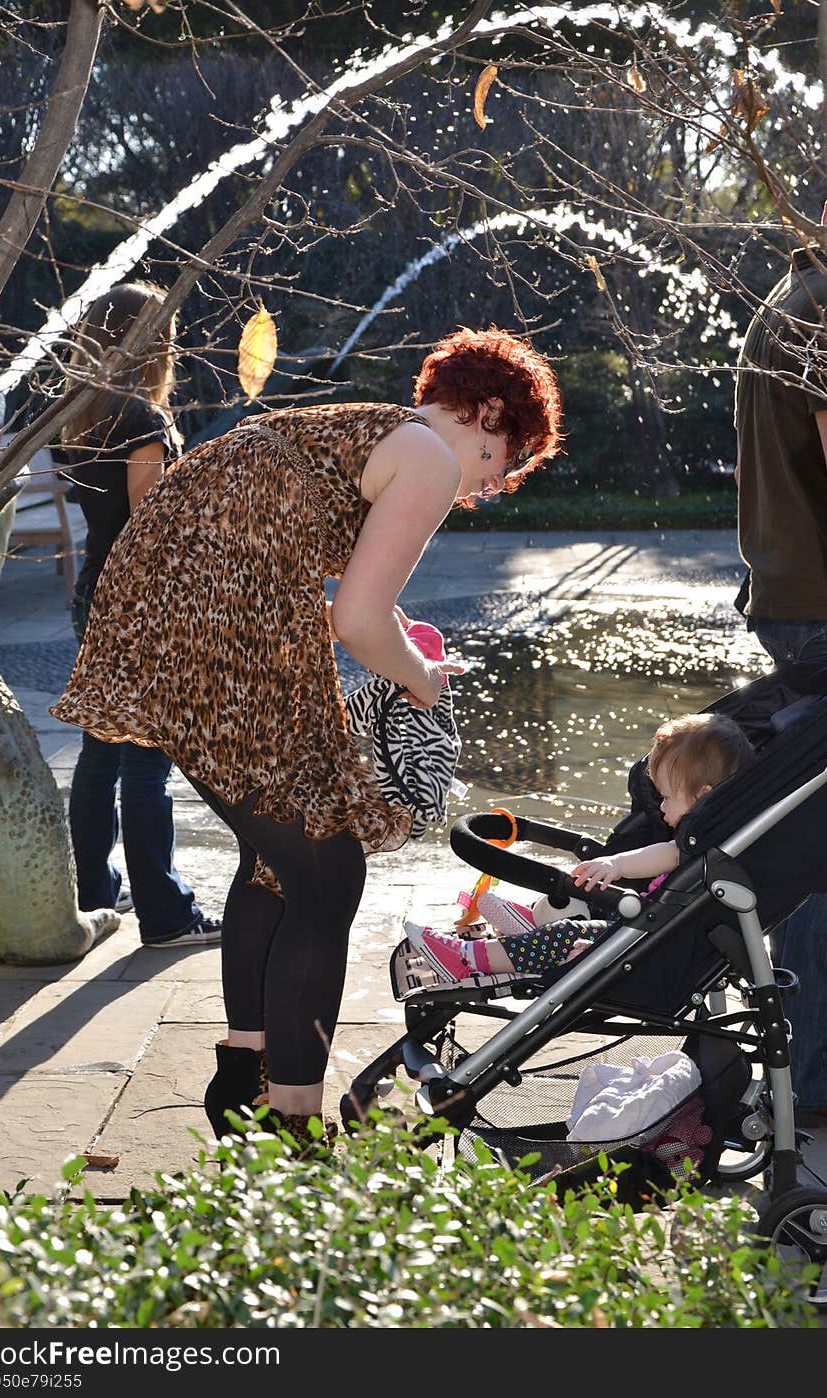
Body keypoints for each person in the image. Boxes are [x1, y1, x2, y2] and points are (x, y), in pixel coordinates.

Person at [50, 325, 563, 1149]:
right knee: (327, 867)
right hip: (214, 633)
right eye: (502, 466)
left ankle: (244, 1076)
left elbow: (342, 599)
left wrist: (394, 641)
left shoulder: (357, 428)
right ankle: (293, 1121)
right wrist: (418, 678)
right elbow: (358, 622)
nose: (486, 487)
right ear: (491, 415)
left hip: (169, 620)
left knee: (283, 858)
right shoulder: (429, 456)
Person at [60, 282, 221, 949]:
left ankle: (94, 894)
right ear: (151, 342)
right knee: (147, 762)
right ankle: (166, 913)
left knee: (101, 755)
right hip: (139, 605)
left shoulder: (82, 413)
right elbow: (150, 528)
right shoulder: (143, 421)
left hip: (95, 593)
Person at [735, 204, 827, 1121]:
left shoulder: (793, 290)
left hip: (790, 593)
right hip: (825, 608)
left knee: (810, 827)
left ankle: (809, 1066)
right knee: (825, 841)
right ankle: (818, 1074)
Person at [405, 713, 754, 984]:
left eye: (667, 798)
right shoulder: (707, 838)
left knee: (568, 934)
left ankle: (469, 959)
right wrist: (614, 865)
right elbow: (665, 852)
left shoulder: (705, 844)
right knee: (587, 898)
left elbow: (667, 854)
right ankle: (532, 923)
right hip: (641, 926)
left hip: (650, 947)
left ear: (705, 795)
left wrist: (617, 865)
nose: (661, 809)